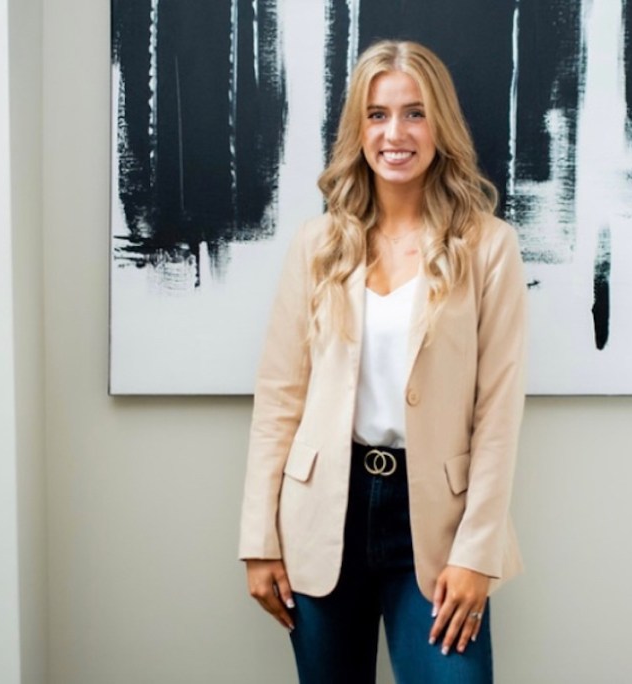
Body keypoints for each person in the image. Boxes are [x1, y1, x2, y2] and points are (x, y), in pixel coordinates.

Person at [238, 39, 527, 683]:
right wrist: (259, 540)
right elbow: (279, 399)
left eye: (414, 113)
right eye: (377, 114)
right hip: (321, 516)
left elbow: (499, 413)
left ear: (440, 126)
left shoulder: (489, 247)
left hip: (436, 523)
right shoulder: (317, 246)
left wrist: (477, 553)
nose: (395, 133)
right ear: (359, 129)